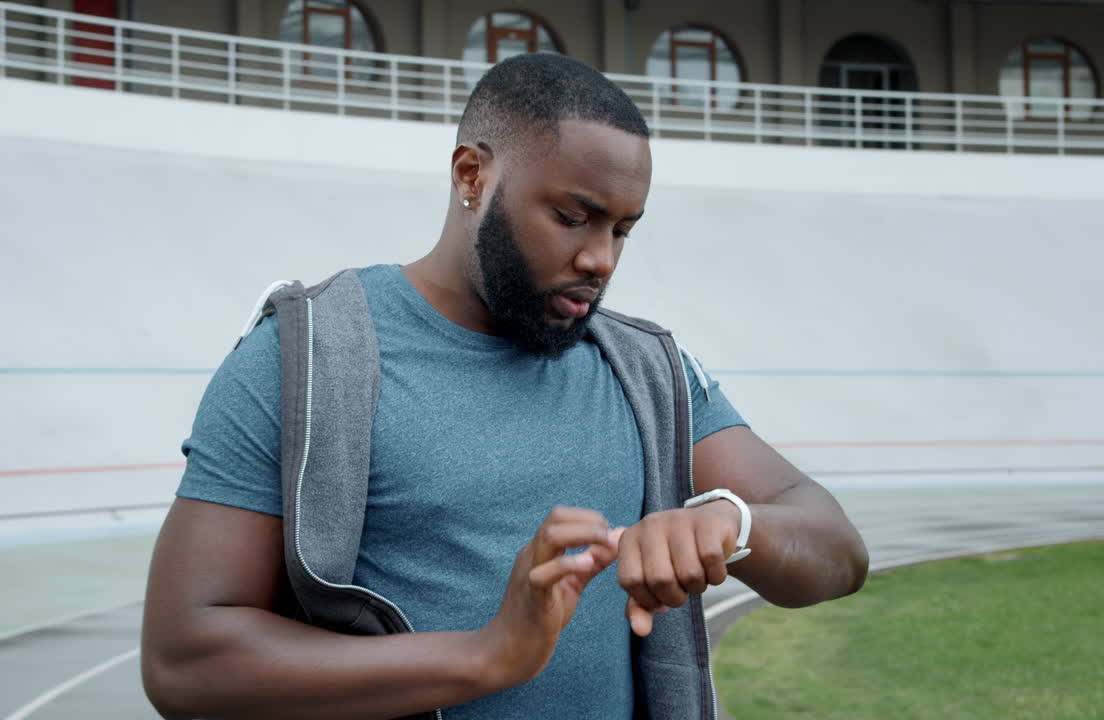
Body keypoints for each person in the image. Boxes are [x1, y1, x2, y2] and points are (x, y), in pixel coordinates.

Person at [141, 53, 868, 720]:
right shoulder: (302, 357)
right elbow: (184, 660)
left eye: (623, 230)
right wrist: (489, 655)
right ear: (471, 176)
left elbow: (837, 549)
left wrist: (730, 522)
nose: (600, 258)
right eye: (572, 217)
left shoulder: (647, 369)